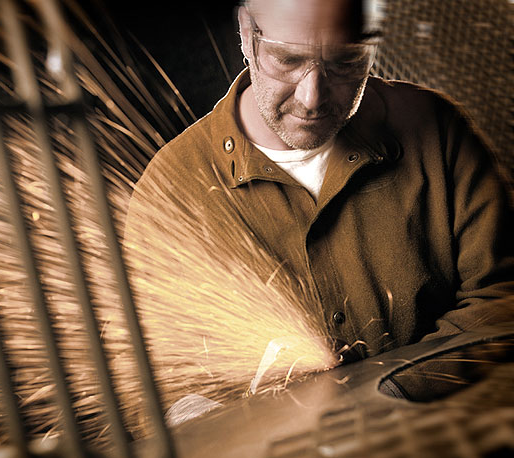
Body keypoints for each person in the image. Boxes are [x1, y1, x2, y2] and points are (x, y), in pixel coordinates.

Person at [124, 0, 513, 413]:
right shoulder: (172, 189)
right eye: (288, 59)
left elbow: (503, 296)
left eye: (345, 62)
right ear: (245, 32)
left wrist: (391, 394)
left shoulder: (438, 129)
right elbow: (143, 379)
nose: (313, 97)